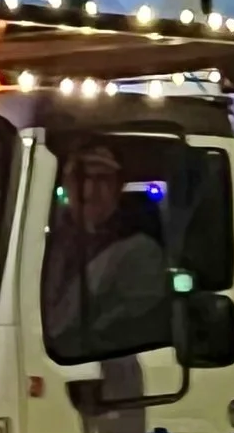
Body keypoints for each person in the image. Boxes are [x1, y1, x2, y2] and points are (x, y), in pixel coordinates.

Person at [42, 142, 173, 357]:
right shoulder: (46, 243)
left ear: (118, 187)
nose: (89, 191)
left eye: (102, 179)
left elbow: (132, 331)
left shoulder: (139, 251)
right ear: (66, 183)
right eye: (80, 179)